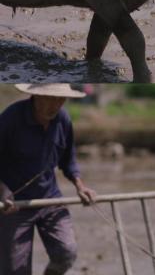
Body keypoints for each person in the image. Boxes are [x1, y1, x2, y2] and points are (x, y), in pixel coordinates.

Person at [0, 84, 97, 275]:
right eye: (50, 98)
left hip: (49, 198)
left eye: (60, 99)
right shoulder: (10, 119)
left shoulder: (63, 119)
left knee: (66, 253)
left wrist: (80, 185)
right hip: (14, 204)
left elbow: (68, 160)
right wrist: (1, 189)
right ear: (35, 96)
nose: (55, 105)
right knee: (15, 270)